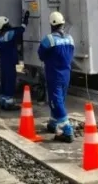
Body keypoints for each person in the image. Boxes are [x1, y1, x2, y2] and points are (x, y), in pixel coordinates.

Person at [38, 11, 75, 143]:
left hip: (54, 74)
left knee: (55, 100)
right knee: (61, 99)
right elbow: (71, 55)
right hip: (66, 74)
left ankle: (67, 129)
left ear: (52, 25)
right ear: (62, 24)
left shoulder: (49, 39)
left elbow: (41, 55)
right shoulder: (70, 38)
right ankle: (54, 122)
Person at [0, 12, 28, 110]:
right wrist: (25, 20)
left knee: (4, 80)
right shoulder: (9, 34)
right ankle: (8, 102)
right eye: (8, 24)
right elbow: (21, 30)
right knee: (10, 80)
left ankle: (2, 99)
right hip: (9, 62)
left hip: (2, 62)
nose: (9, 25)